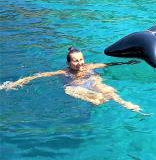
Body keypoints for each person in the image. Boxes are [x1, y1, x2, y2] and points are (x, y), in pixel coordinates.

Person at [1, 47, 142, 112]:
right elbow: (39, 75)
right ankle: (96, 100)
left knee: (108, 91)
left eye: (81, 59)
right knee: (91, 97)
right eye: (75, 61)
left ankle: (127, 105)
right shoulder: (63, 72)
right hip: (76, 88)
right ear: (69, 63)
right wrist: (16, 83)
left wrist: (129, 62)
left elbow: (110, 64)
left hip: (92, 81)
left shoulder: (90, 66)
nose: (80, 63)